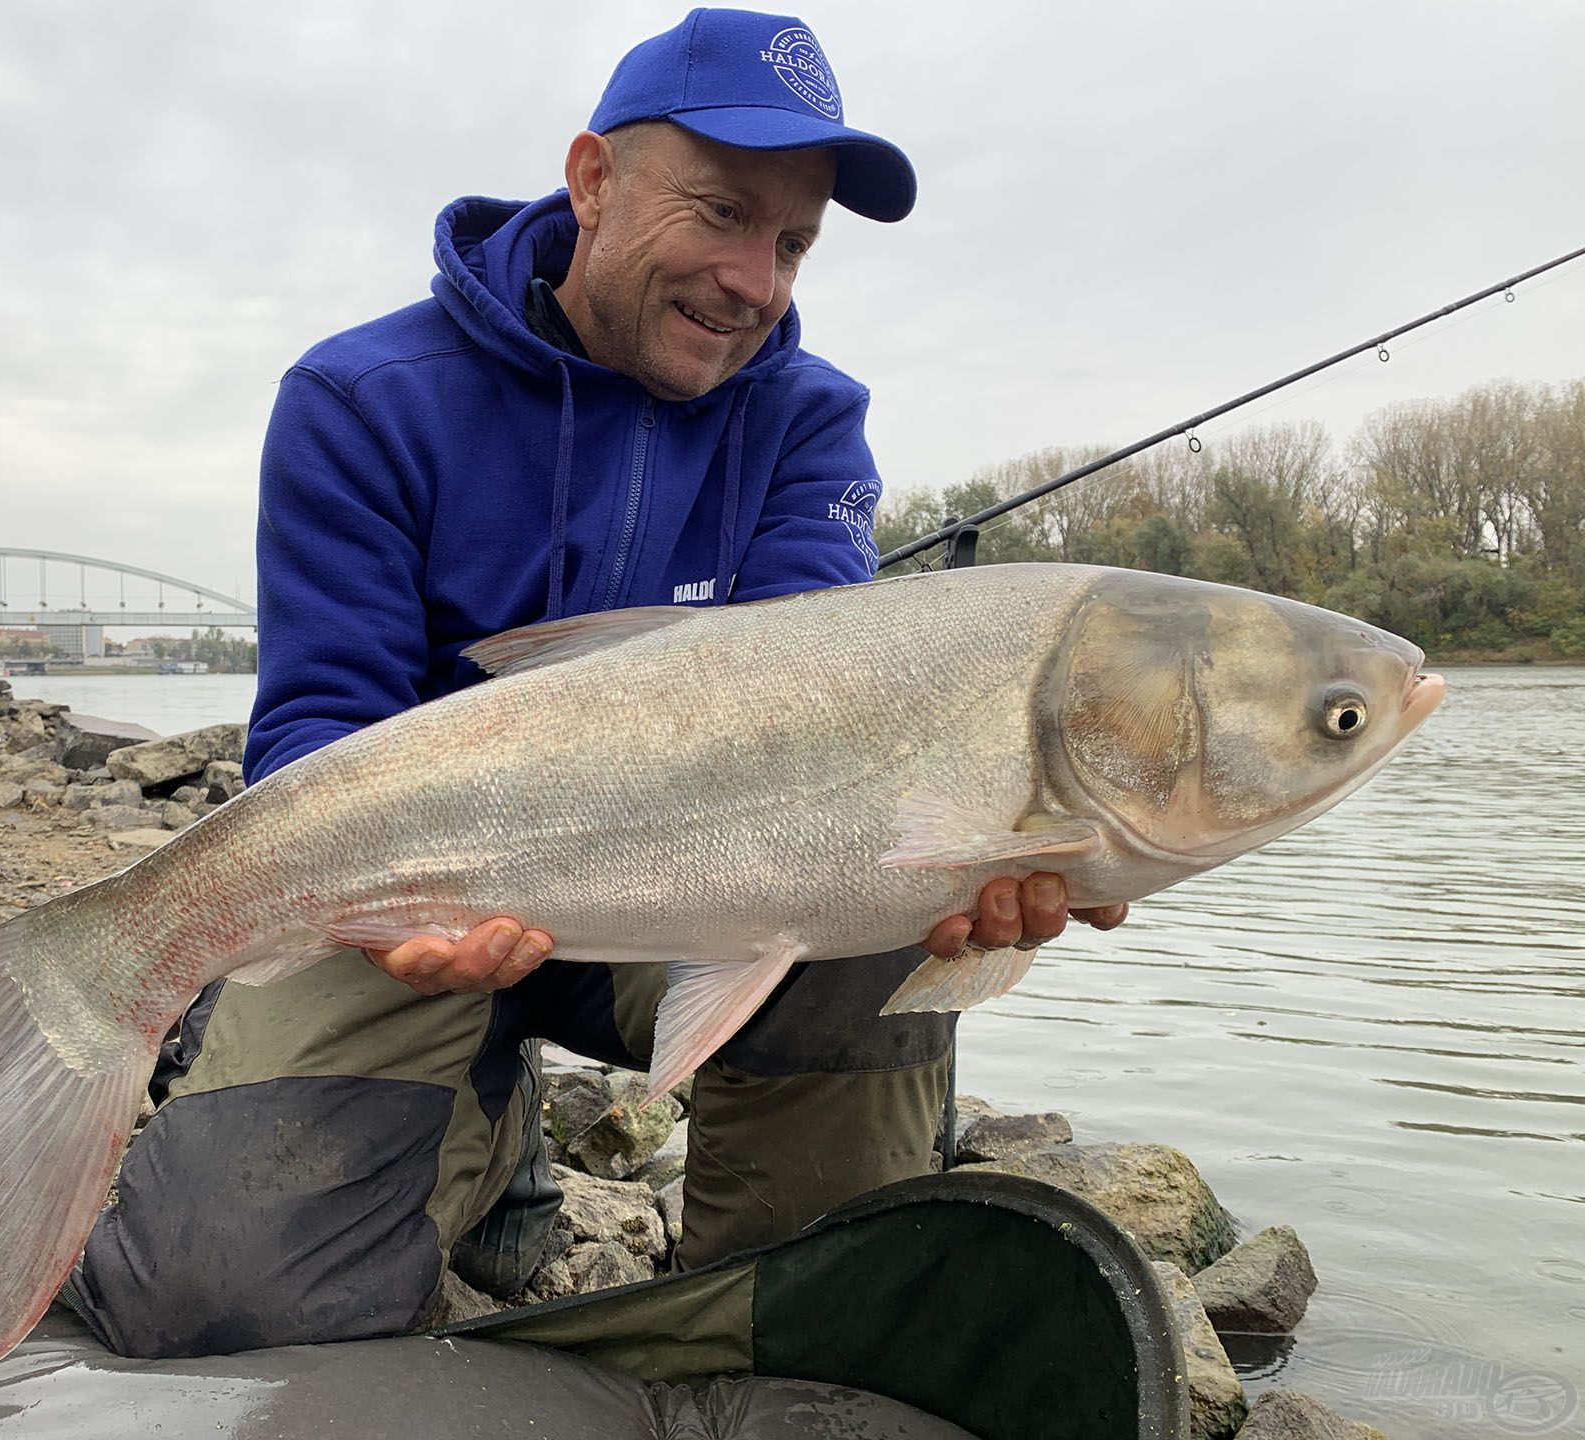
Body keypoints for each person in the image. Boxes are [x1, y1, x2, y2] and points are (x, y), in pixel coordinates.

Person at [71, 8, 1127, 1359]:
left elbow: (813, 718)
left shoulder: (809, 423)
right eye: (724, 212)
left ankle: (785, 1328)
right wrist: (384, 922)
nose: (757, 280)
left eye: (794, 243)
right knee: (219, 1311)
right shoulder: (361, 398)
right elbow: (318, 727)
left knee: (882, 922)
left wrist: (999, 849)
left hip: (691, 892)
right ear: (592, 181)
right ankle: (485, 1113)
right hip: (411, 903)